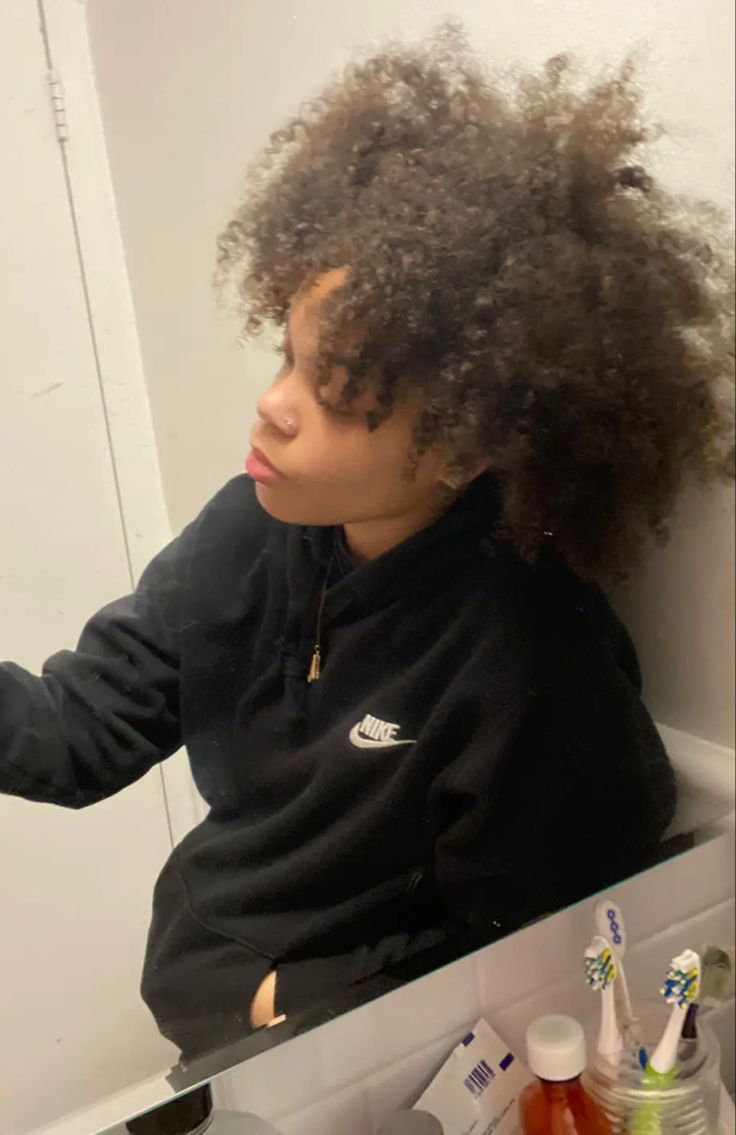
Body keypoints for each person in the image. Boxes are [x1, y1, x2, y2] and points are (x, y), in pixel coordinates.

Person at [1, 27, 733, 1062]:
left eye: (332, 390)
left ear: (463, 443)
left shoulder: (528, 664)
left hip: (340, 1068)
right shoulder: (253, 525)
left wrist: (267, 999)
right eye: (284, 356)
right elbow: (82, 728)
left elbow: (520, 975)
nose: (269, 405)